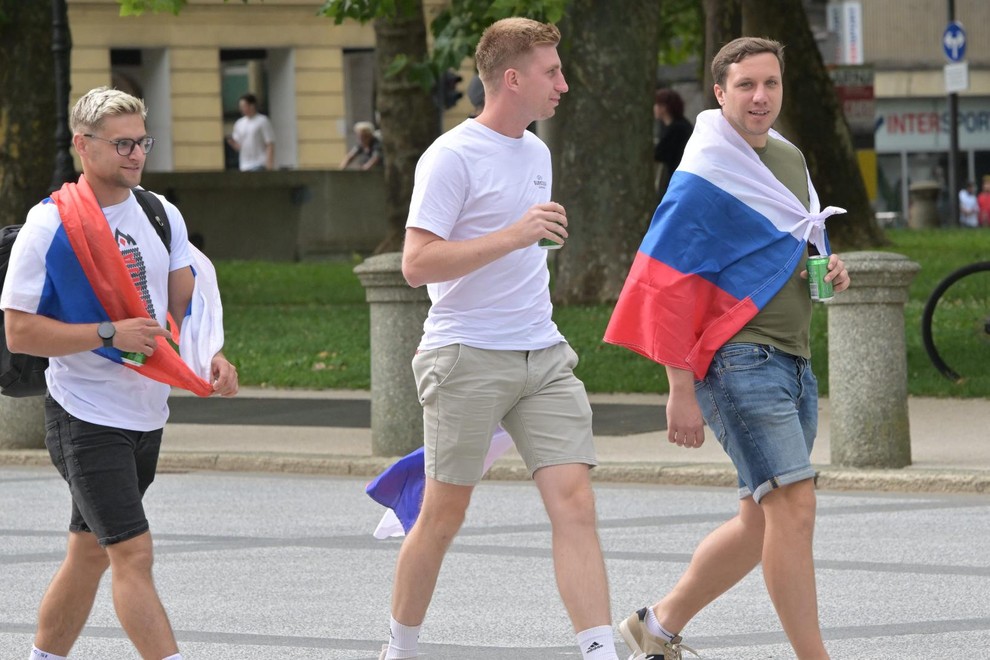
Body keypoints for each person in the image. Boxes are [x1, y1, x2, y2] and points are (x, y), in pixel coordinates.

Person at [380, 17, 620, 660]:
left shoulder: (537, 150)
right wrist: (515, 235)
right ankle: (400, 647)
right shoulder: (450, 156)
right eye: (552, 72)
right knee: (443, 515)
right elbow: (416, 264)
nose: (563, 85)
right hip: (464, 355)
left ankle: (599, 649)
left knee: (575, 502)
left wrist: (523, 242)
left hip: (541, 354)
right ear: (511, 79)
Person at [605, 38, 851, 660]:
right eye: (745, 85)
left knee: (757, 524)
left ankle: (655, 627)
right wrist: (679, 389)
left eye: (770, 84)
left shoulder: (790, 159)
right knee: (794, 510)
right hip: (741, 361)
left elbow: (786, 244)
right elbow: (668, 276)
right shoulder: (707, 167)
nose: (760, 96)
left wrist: (827, 265)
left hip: (793, 360)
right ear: (719, 93)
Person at [1, 86, 239, 660]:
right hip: (85, 414)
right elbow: (20, 331)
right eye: (122, 143)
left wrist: (211, 355)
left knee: (87, 553)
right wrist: (108, 333)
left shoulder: (159, 212)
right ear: (84, 146)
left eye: (142, 142)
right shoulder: (50, 224)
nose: (136, 154)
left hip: (146, 410)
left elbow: (183, 304)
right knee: (132, 555)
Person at [653, 88, 693, 200]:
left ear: (664, 107)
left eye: (656, 105)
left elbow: (659, 153)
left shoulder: (677, 129)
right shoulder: (680, 126)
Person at [226, 92, 275, 171]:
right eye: (240, 107)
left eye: (244, 106)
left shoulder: (262, 121)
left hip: (259, 163)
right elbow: (239, 147)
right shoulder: (239, 123)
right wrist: (231, 142)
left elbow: (269, 144)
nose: (242, 109)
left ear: (252, 106)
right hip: (244, 165)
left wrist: (269, 165)